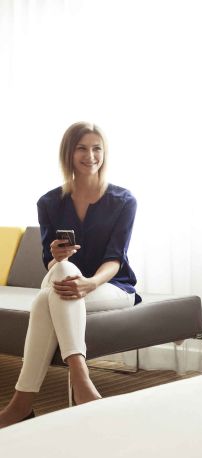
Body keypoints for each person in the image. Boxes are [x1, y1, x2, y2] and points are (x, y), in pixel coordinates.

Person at [0, 122, 139, 428]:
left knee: (44, 301)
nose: (91, 156)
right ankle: (81, 379)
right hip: (65, 285)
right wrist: (57, 257)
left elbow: (115, 259)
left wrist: (90, 283)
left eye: (97, 148)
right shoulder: (49, 202)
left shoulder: (123, 201)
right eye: (82, 148)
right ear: (69, 153)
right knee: (62, 271)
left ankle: (23, 404)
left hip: (111, 286)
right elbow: (50, 263)